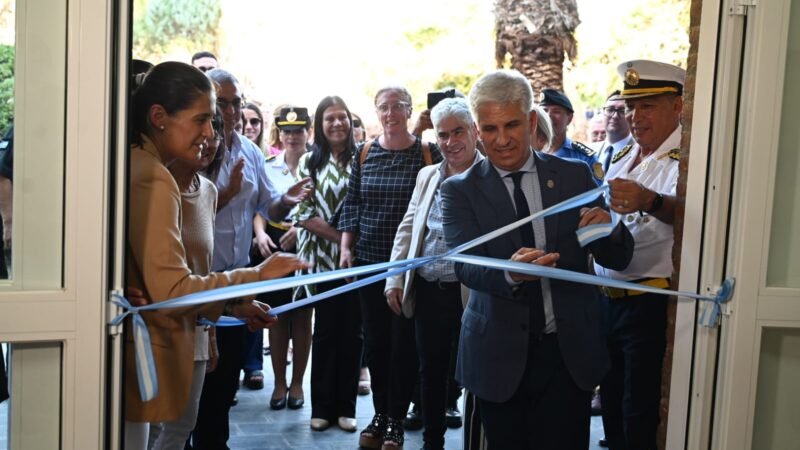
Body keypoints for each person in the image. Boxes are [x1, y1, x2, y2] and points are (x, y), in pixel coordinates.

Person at [440, 69, 634, 450]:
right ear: (477, 130)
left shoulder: (576, 176)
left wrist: (609, 229)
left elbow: (619, 257)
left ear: (531, 120)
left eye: (511, 125)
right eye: (490, 129)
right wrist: (511, 274)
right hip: (497, 357)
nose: (502, 140)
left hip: (568, 357)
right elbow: (465, 265)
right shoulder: (458, 191)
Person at [123, 61, 306, 450]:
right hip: (146, 353)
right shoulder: (151, 175)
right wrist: (257, 275)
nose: (211, 133)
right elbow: (173, 289)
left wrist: (234, 307)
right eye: (202, 119)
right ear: (158, 117)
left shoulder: (175, 179)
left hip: (181, 341)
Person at [190, 68, 311, 450]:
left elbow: (267, 204)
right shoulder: (192, 148)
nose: (231, 111)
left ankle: (215, 441)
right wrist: (221, 196)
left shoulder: (251, 150)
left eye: (236, 102)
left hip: (239, 281)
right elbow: (177, 221)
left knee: (224, 379)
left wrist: (285, 199)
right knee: (196, 381)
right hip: (199, 281)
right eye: (222, 102)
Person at [338, 85, 443, 450]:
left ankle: (396, 419)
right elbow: (352, 201)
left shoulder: (429, 153)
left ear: (410, 111)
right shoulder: (364, 152)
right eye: (384, 107)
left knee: (403, 347)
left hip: (410, 268)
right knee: (376, 344)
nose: (391, 113)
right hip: (369, 262)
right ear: (376, 112)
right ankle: (380, 412)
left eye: (398, 106)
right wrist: (346, 248)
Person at [596, 59, 685, 450]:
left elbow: (685, 212)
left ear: (677, 106)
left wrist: (649, 200)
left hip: (648, 302)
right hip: (607, 299)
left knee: (639, 414)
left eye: (647, 105)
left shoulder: (686, 159)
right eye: (631, 106)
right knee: (611, 410)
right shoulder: (620, 154)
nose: (635, 116)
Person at [385, 97, 481, 450]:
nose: (451, 142)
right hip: (427, 287)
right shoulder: (428, 175)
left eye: (458, 132)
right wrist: (395, 278)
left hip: (471, 291)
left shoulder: (489, 176)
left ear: (473, 131)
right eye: (443, 135)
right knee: (431, 369)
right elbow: (409, 228)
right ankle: (432, 442)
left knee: (474, 370)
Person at [292, 96, 362, 432]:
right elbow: (304, 215)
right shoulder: (309, 162)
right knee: (325, 334)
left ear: (350, 121)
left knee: (353, 335)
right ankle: (320, 407)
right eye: (329, 119)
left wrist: (353, 246)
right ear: (319, 125)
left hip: (357, 267)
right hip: (322, 262)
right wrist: (344, 240)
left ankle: (346, 408)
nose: (337, 124)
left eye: (342, 117)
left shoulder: (364, 157)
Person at [253, 106, 312, 411]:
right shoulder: (268, 166)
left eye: (298, 130)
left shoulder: (317, 166)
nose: (292, 136)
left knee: (302, 316)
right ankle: (279, 382)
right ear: (280, 134)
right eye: (287, 131)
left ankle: (299, 383)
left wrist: (302, 230)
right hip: (275, 244)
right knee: (276, 317)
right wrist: (261, 234)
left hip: (306, 243)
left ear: (308, 132)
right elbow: (259, 208)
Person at [538, 88, 603, 183]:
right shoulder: (529, 153)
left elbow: (597, 194)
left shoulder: (585, 158)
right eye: (544, 111)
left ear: (569, 118)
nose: (549, 115)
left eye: (556, 111)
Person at [595, 91, 633, 175]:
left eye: (622, 111)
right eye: (610, 110)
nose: (615, 116)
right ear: (603, 112)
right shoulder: (592, 151)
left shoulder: (639, 152)